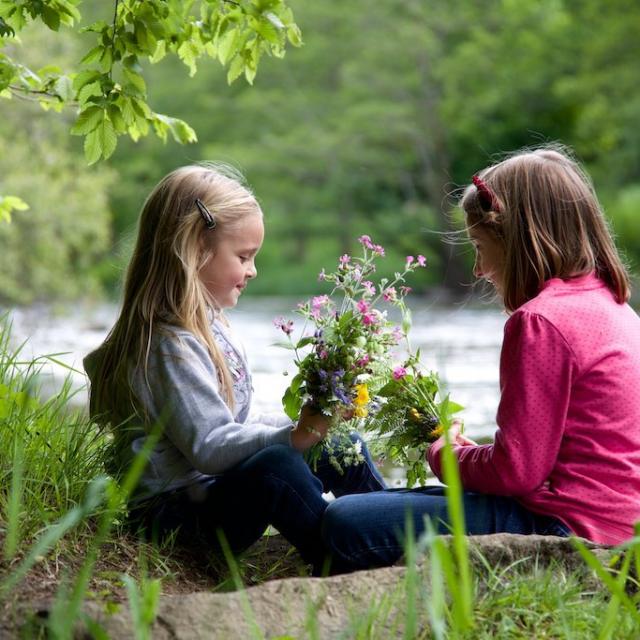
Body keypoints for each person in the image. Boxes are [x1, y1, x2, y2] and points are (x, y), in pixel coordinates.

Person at [321, 145, 640, 571]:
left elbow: (516, 473)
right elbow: (545, 456)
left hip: (568, 529)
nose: (477, 269)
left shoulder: (542, 321)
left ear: (516, 239)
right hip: (618, 524)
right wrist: (475, 456)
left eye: (478, 245)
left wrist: (446, 454)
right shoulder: (615, 307)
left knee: (343, 520)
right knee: (374, 503)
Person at [83, 163, 385, 572]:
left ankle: (391, 526)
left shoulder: (211, 325)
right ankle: (345, 557)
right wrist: (294, 436)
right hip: (175, 518)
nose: (252, 271)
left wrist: (310, 423)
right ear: (194, 249)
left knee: (337, 444)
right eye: (243, 256)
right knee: (276, 468)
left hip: (213, 495)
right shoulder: (166, 346)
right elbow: (211, 447)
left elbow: (242, 419)